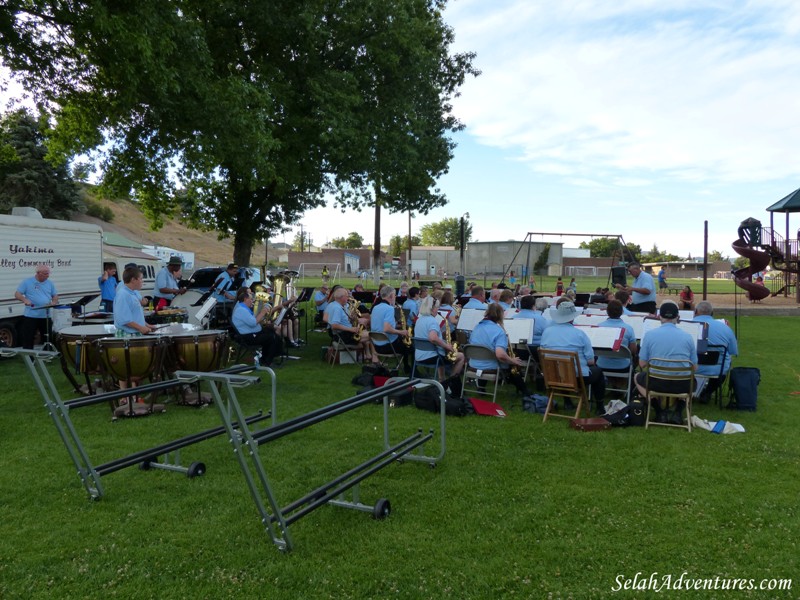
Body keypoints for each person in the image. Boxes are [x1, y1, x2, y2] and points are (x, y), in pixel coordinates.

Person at [634, 301, 697, 424]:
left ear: (659, 317)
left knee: (637, 377)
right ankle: (678, 413)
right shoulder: (688, 337)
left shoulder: (650, 335)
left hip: (656, 382)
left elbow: (642, 364)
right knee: (693, 382)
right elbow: (694, 367)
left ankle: (659, 411)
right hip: (682, 384)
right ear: (678, 318)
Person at [540, 301, 605, 410]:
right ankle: (600, 406)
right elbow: (590, 362)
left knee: (562, 367)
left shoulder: (547, 332)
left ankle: (567, 401)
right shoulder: (580, 334)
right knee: (598, 372)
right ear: (572, 318)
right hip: (577, 378)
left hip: (553, 376)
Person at [467, 303, 532, 401]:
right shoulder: (499, 331)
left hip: (473, 364)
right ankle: (525, 391)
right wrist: (512, 361)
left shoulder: (476, 327)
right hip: (490, 366)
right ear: (500, 315)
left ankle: (481, 388)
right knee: (512, 366)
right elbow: (500, 354)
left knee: (487, 357)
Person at [693, 301, 738, 401]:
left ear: (695, 311)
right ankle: (708, 392)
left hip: (689, 368)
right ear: (712, 313)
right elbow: (733, 351)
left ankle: (690, 392)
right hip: (717, 369)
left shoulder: (686, 327)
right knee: (727, 359)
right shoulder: (725, 329)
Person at [414, 295, 464, 380]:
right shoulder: (432, 321)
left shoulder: (419, 319)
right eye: (437, 307)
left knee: (440, 350)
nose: (438, 309)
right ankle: (451, 381)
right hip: (432, 357)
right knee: (461, 356)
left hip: (419, 356)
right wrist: (447, 346)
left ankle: (442, 380)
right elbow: (432, 338)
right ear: (432, 308)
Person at [231, 287, 282, 367]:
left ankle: (269, 356)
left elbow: (253, 320)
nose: (252, 301)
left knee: (271, 331)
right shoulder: (241, 310)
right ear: (245, 299)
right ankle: (267, 362)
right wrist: (263, 311)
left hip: (252, 333)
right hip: (248, 337)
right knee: (271, 337)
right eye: (251, 299)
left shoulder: (242, 307)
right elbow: (253, 323)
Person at [327, 286, 377, 363]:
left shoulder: (333, 305)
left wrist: (352, 318)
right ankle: (375, 360)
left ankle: (369, 356)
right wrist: (351, 329)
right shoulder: (337, 308)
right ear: (342, 297)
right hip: (344, 337)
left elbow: (334, 321)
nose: (348, 297)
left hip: (341, 335)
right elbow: (334, 325)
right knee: (374, 335)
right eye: (347, 296)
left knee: (367, 333)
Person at [15, 265, 59, 349]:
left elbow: (55, 296)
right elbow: (17, 294)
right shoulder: (27, 282)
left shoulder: (50, 283)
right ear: (38, 273)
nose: (48, 275)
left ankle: (47, 355)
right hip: (31, 315)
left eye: (48, 273)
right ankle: (29, 356)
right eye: (45, 274)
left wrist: (53, 302)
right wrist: (25, 300)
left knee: (47, 337)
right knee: (28, 337)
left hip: (45, 315)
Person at [370, 285, 412, 372]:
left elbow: (380, 325)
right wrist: (401, 332)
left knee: (405, 344)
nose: (395, 297)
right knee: (411, 346)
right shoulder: (389, 309)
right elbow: (386, 329)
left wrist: (396, 326)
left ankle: (406, 367)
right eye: (395, 295)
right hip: (388, 345)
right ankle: (411, 370)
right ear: (391, 296)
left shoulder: (375, 307)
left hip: (377, 345)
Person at [596, 299, 638, 376]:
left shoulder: (599, 326)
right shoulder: (628, 328)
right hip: (622, 366)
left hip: (602, 364)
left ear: (607, 312)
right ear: (622, 312)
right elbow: (633, 351)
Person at [114, 266, 157, 336]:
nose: (142, 281)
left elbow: (134, 316)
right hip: (127, 335)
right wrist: (140, 328)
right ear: (133, 280)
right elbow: (124, 320)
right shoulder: (123, 295)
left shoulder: (132, 293)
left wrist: (147, 325)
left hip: (134, 333)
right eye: (141, 279)